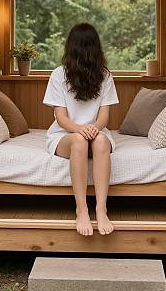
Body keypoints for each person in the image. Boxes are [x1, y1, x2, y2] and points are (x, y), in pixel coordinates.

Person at [43, 23, 119, 236]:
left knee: (102, 141)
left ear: (70, 47)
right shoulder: (59, 75)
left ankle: (101, 209)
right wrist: (80, 131)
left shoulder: (105, 76)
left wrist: (92, 130)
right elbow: (60, 118)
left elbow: (104, 117)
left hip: (96, 132)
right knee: (78, 141)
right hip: (65, 135)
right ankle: (82, 209)